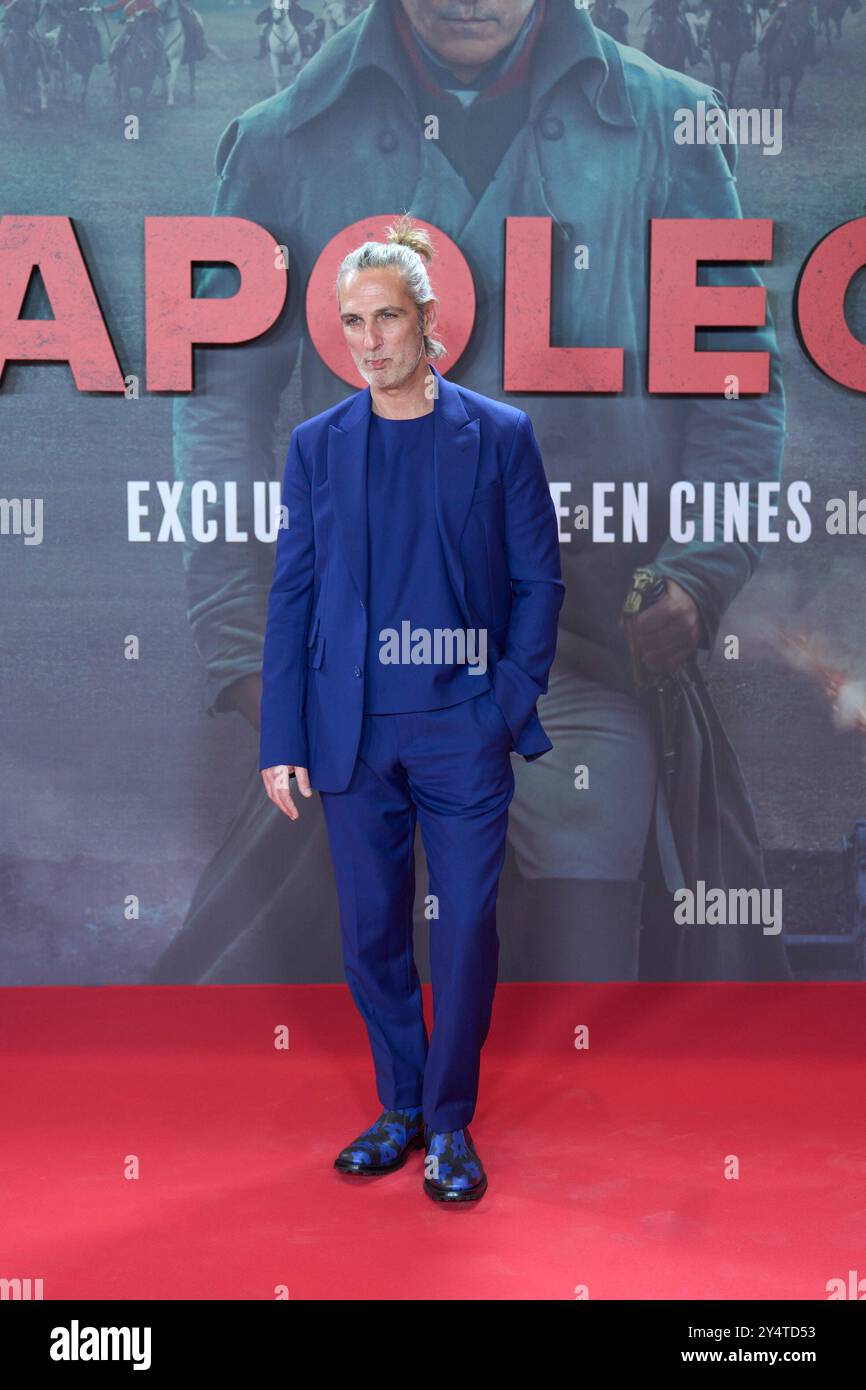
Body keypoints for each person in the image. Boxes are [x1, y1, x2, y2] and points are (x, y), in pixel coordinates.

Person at [258, 214, 564, 1202]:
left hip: (462, 726)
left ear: (424, 318)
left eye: (386, 316)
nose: (369, 340)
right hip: (350, 733)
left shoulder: (498, 435)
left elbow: (539, 583)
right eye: (352, 321)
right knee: (370, 932)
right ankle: (398, 1109)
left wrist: (504, 701)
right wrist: (281, 737)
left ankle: (449, 1123)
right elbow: (292, 595)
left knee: (467, 925)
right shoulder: (316, 447)